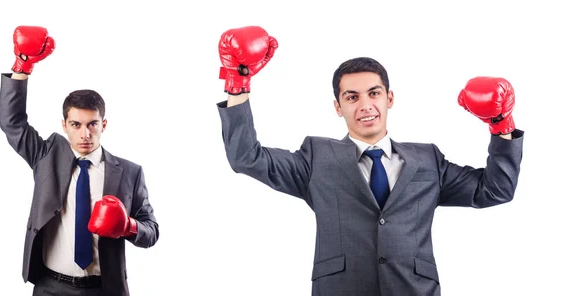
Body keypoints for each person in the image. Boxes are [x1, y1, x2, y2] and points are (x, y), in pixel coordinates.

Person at [215, 26, 523, 296]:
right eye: (352, 97)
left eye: (373, 93)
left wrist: (501, 124)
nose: (365, 105)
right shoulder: (315, 157)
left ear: (389, 98)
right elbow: (247, 157)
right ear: (338, 107)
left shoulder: (428, 158)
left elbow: (494, 190)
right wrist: (237, 81)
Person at [0, 26, 159, 296]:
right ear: (64, 125)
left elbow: (151, 231)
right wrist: (22, 66)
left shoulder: (130, 173)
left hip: (104, 289)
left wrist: (128, 227)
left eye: (92, 124)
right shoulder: (46, 155)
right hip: (51, 286)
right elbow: (12, 123)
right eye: (76, 124)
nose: (84, 133)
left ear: (103, 124)